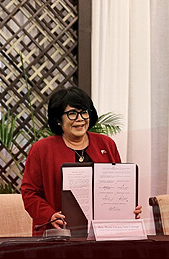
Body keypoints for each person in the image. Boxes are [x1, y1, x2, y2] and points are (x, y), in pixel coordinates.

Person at [20, 87, 142, 236]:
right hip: (59, 234)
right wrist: (49, 215)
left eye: (84, 112)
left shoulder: (106, 144)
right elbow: (29, 193)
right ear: (58, 119)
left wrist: (128, 208)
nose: (80, 119)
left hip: (105, 234)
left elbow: (119, 186)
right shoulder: (41, 149)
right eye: (72, 114)